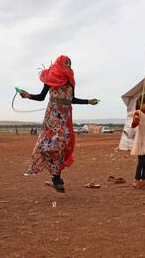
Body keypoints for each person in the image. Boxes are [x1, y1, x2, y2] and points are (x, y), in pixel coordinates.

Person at [20, 55, 98, 193]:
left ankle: (56, 175)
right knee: (57, 142)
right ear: (60, 64)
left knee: (65, 145)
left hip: (66, 115)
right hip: (53, 115)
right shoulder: (51, 79)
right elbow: (41, 97)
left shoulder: (70, 82)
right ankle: (54, 175)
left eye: (70, 63)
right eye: (66, 63)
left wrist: (88, 101)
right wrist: (28, 96)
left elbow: (72, 99)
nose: (68, 65)